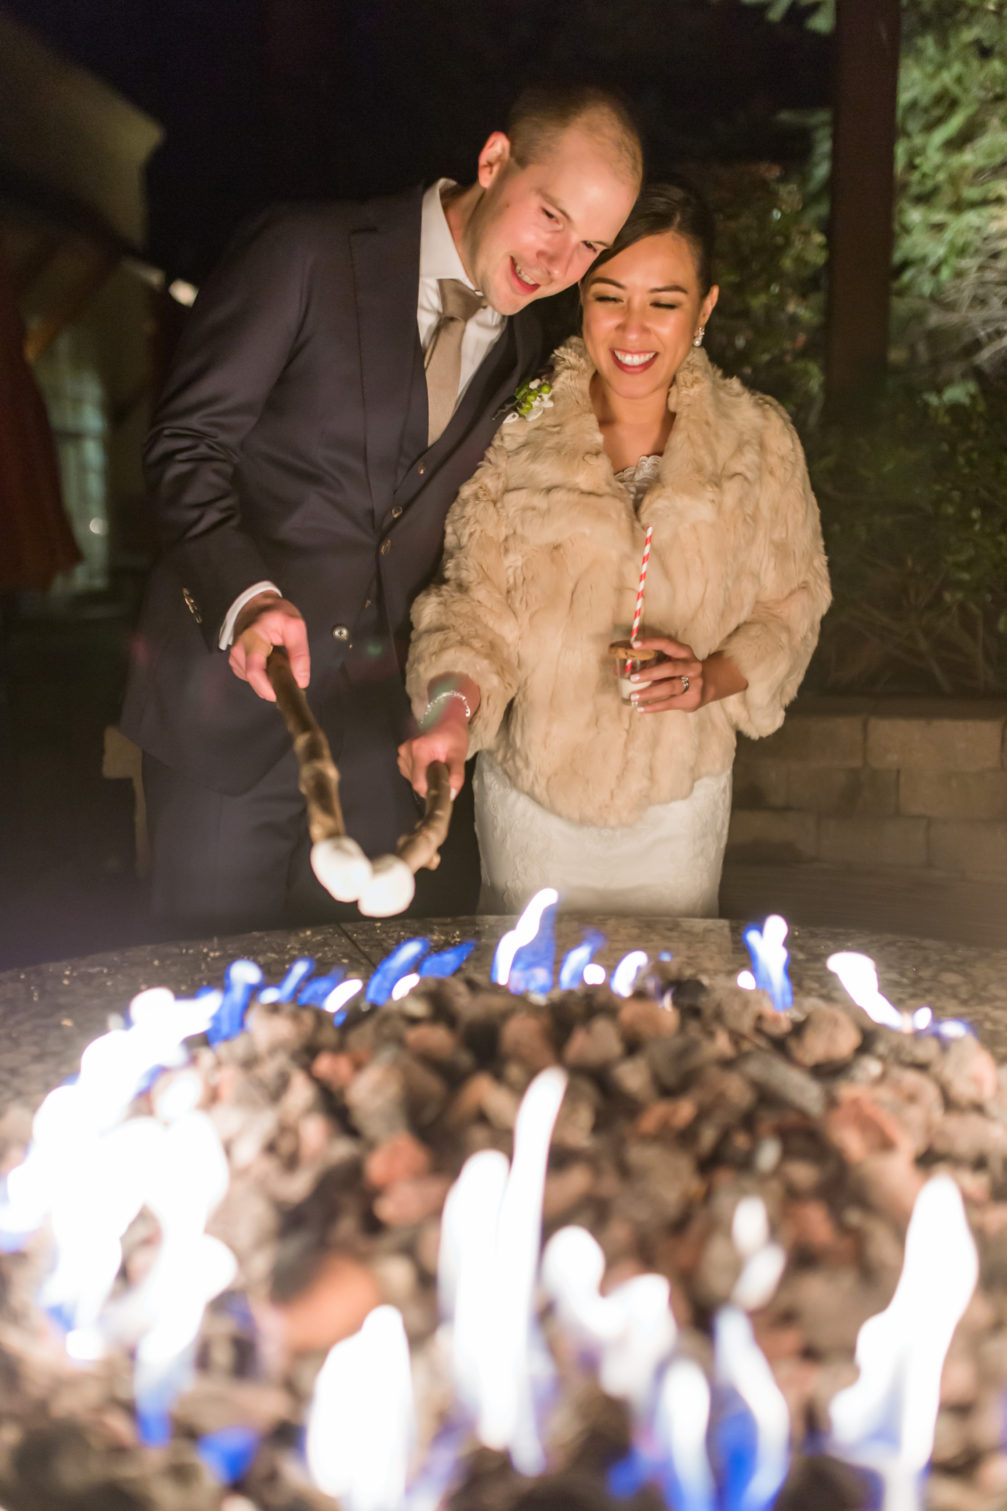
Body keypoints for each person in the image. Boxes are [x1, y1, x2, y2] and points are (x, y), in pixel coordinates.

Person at [119, 85, 642, 934]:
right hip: (224, 715)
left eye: (589, 245)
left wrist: (452, 694)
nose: (557, 263)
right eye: (550, 215)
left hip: (373, 736)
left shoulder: (520, 353)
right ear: (493, 160)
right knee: (209, 1007)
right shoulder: (306, 250)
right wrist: (243, 596)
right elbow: (186, 446)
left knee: (363, 1013)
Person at [399, 179, 831, 917]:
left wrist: (710, 678)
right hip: (535, 804)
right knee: (529, 1013)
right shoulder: (511, 430)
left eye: (663, 302)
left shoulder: (757, 439)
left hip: (678, 805)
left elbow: (791, 606)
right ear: (580, 298)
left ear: (704, 309)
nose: (633, 330)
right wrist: (449, 708)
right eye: (609, 296)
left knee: (667, 1012)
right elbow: (469, 613)